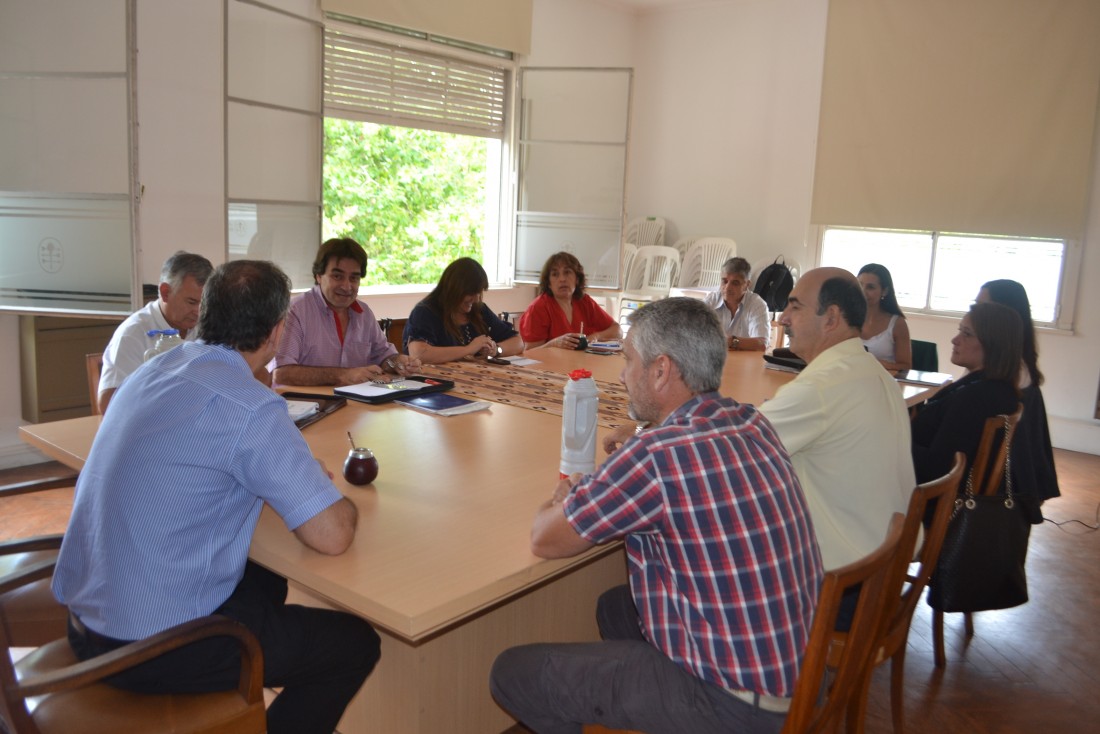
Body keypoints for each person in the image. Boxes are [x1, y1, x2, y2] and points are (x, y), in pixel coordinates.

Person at [52, 260, 381, 734]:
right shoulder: (250, 406)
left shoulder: (154, 369)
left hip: (85, 618)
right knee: (352, 645)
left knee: (265, 575)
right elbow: (333, 535)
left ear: (204, 312)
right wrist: (319, 483)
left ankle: (239, 694)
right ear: (275, 332)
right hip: (145, 648)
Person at [490, 297, 822, 734]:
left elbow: (545, 539)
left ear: (661, 370)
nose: (624, 375)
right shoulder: (750, 421)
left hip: (734, 706)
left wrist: (561, 494)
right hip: (801, 676)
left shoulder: (657, 456)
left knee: (513, 672)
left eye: (629, 361)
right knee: (615, 607)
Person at [760, 267, 914, 571]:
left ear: (831, 318)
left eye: (795, 306)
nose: (783, 318)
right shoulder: (874, 372)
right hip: (881, 565)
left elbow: (730, 451)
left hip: (842, 583)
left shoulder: (821, 387)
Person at [273, 237, 420, 386]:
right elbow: (281, 373)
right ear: (318, 276)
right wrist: (343, 375)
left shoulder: (364, 313)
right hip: (311, 406)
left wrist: (398, 363)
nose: (347, 286)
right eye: (337, 276)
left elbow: (384, 357)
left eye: (354, 278)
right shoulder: (296, 311)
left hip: (358, 405)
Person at [911, 302, 1023, 489]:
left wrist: (894, 438)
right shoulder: (1002, 389)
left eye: (967, 334)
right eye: (960, 331)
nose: (955, 340)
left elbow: (938, 469)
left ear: (993, 344)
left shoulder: (974, 399)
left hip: (926, 499)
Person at [975, 279, 1060, 520]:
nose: (974, 314)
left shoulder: (1007, 372)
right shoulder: (1012, 364)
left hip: (984, 472)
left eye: (982, 306)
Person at [98, 251, 213, 413]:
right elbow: (108, 403)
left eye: (204, 303)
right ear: (165, 292)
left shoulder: (206, 325)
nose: (198, 311)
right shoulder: (134, 333)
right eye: (192, 302)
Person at [403, 257, 524, 363]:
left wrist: (496, 350)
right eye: (471, 293)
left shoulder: (479, 310)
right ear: (454, 289)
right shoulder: (425, 312)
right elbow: (419, 354)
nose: (476, 299)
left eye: (479, 292)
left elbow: (518, 342)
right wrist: (469, 349)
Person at [518, 251, 621, 349]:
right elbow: (529, 353)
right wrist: (553, 344)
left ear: (577, 279)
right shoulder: (538, 308)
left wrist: (597, 336)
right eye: (555, 274)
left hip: (582, 364)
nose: (562, 279)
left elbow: (618, 331)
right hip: (549, 367)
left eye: (567, 272)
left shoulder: (584, 301)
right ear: (548, 283)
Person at [702, 256, 772, 351]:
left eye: (735, 283)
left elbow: (762, 344)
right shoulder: (711, 300)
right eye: (724, 281)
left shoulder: (757, 304)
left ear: (747, 285)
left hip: (746, 362)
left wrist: (731, 341)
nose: (727, 288)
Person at [858, 263, 912, 372]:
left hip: (884, 382)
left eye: (870, 287)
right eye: (860, 285)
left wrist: (880, 364)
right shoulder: (846, 319)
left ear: (885, 291)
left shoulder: (897, 323)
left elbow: (906, 366)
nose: (863, 291)